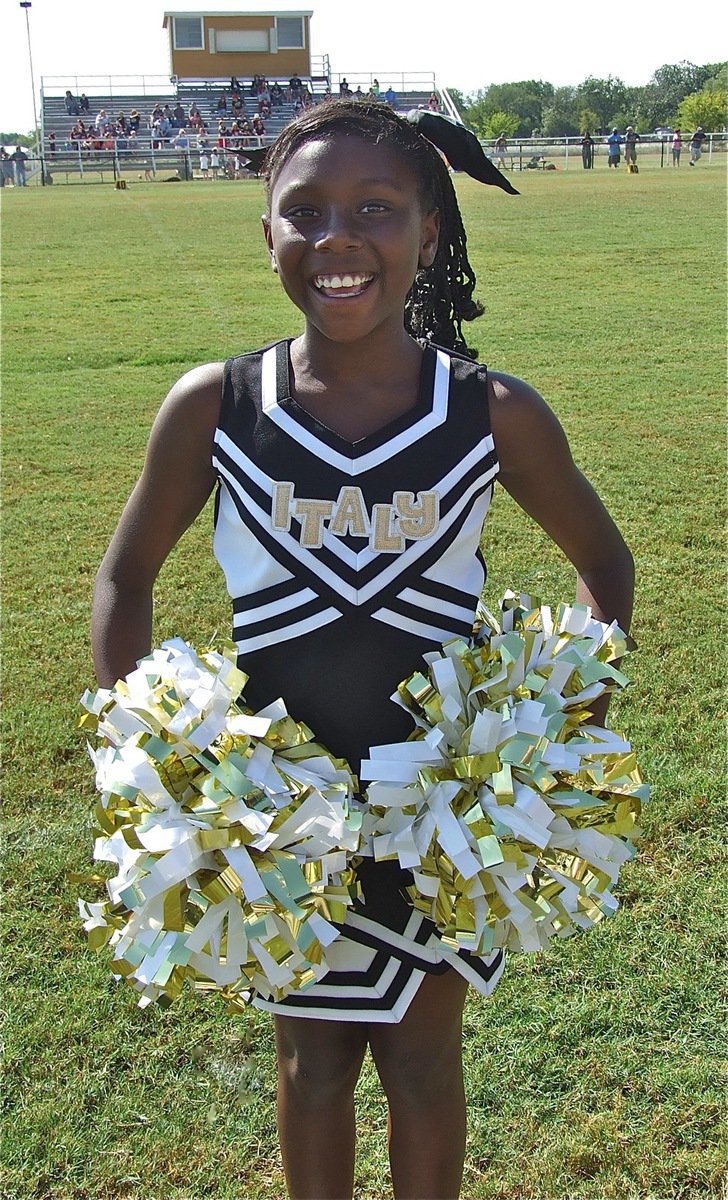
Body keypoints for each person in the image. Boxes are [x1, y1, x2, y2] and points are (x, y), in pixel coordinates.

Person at [91, 99, 634, 1200]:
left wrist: (550, 737)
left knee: (425, 1061)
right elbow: (124, 580)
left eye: (375, 210)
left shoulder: (487, 411)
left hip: (440, 814)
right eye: (306, 212)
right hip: (283, 818)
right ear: (267, 235)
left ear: (429, 232)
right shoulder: (217, 406)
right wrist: (161, 764)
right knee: (313, 1063)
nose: (337, 238)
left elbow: (604, 564)